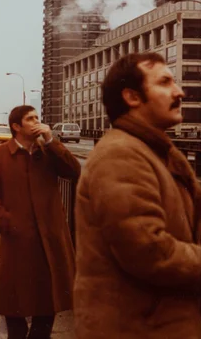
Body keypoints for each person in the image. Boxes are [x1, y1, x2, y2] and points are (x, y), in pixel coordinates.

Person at [74, 53, 201, 338]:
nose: (179, 91)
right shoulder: (120, 155)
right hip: (138, 328)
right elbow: (150, 251)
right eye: (165, 82)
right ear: (132, 97)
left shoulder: (155, 152)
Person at [0, 105, 80, 339]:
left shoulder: (47, 152)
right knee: (14, 309)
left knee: (46, 311)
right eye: (30, 118)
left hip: (49, 240)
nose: (37, 121)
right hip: (17, 241)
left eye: (38, 117)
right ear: (16, 126)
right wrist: (6, 222)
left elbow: (73, 171)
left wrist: (51, 141)